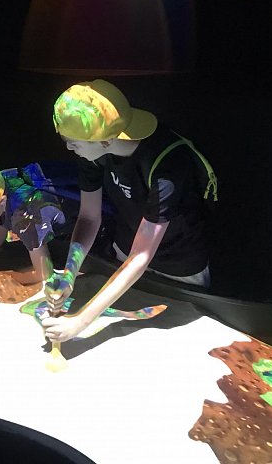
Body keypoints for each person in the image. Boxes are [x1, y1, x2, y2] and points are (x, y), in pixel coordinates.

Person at [42, 80, 216, 342]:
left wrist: (81, 321)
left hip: (179, 268)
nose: (69, 148)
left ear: (106, 140)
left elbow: (141, 255)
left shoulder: (166, 164)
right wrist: (69, 273)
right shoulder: (93, 155)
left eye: (73, 143)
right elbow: (89, 217)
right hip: (125, 254)